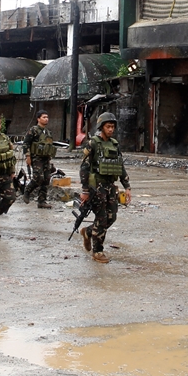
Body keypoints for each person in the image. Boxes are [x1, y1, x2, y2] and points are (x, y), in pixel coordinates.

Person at [78, 112, 131, 263]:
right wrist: (85, 190)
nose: (111, 130)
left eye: (112, 127)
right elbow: (84, 168)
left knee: (111, 217)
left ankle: (88, 232)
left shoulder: (114, 144)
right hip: (97, 187)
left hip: (110, 187)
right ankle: (98, 252)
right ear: (102, 127)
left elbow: (120, 166)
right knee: (101, 219)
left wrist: (127, 186)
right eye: (108, 127)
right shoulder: (93, 143)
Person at [22, 110, 57, 209]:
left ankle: (42, 201)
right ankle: (27, 191)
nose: (46, 119)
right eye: (44, 117)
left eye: (47, 117)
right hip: (36, 158)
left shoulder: (48, 132)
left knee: (46, 179)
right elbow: (26, 143)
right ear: (38, 119)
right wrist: (28, 156)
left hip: (45, 158)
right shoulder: (33, 130)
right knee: (38, 177)